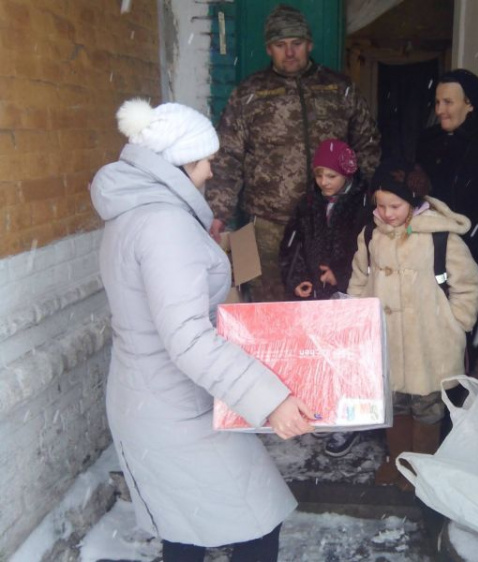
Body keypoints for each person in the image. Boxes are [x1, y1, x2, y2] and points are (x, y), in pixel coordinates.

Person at [90, 99, 316, 562]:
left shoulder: (136, 212)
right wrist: (269, 399)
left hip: (156, 398)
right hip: (173, 408)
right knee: (254, 524)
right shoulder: (163, 224)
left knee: (187, 530)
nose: (212, 170)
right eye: (205, 159)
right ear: (179, 162)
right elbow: (189, 338)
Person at [206, 3, 381, 303]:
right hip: (268, 225)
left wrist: (364, 201)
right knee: (271, 306)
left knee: (327, 302)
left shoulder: (339, 89)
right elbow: (227, 158)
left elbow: (367, 145)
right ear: (268, 49)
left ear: (309, 44)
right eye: (280, 45)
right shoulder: (249, 94)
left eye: (297, 44)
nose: (289, 53)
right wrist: (219, 213)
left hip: (330, 220)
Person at [347, 158, 478, 490]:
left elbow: (468, 283)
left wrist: (458, 324)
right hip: (387, 340)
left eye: (395, 205)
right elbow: (359, 279)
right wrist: (354, 319)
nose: (387, 212)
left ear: (414, 200)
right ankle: (399, 459)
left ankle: (422, 466)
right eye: (381, 205)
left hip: (430, 342)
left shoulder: (439, 237)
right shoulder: (370, 236)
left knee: (428, 408)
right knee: (394, 405)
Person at [416, 69, 478, 367]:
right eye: (437, 102)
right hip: (432, 252)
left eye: (448, 102)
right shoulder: (427, 141)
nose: (440, 110)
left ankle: (466, 405)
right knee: (430, 328)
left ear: (470, 104)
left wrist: (469, 234)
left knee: (474, 334)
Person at [279, 138, 373, 457]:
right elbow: (291, 246)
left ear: (347, 173)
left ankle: (348, 423)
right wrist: (299, 281)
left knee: (348, 360)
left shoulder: (364, 206)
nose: (323, 182)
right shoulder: (308, 204)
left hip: (348, 297)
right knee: (320, 359)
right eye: (319, 175)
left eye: (330, 176)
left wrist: (340, 274)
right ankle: (324, 411)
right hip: (316, 298)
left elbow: (366, 251)